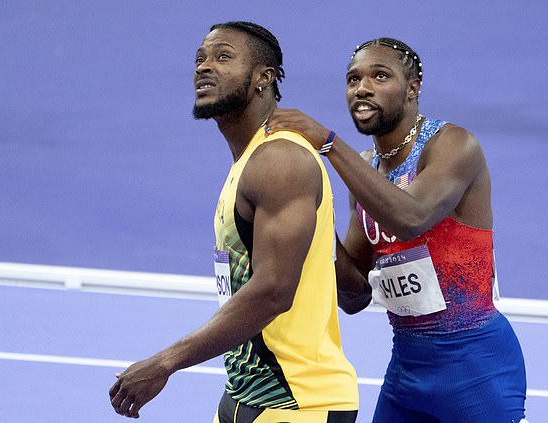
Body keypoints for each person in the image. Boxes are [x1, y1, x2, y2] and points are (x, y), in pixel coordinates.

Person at [108, 21, 360, 422]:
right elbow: (345, 287)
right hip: (247, 394)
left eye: (223, 57)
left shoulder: (280, 160)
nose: (204, 67)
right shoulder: (253, 160)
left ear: (264, 77)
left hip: (297, 402)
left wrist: (164, 363)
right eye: (200, 59)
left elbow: (274, 291)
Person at [266, 37, 528, 423]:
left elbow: (411, 217)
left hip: (477, 368)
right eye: (353, 79)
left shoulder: (452, 145)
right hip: (407, 372)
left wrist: (328, 144)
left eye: (380, 76)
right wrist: (308, 218)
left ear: (413, 88)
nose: (363, 88)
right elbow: (353, 294)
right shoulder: (367, 168)